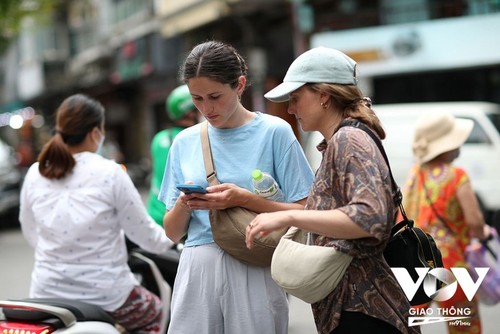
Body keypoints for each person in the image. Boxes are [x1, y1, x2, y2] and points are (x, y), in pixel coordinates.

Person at [245, 46, 420, 334]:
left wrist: (291, 218)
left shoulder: (348, 140)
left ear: (324, 95)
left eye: (296, 98)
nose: (290, 108)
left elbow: (369, 218)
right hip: (351, 308)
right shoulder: (341, 141)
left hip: (363, 312)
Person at [158, 40, 315, 334]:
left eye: (215, 96)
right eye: (197, 99)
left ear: (240, 85)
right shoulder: (184, 142)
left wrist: (243, 199)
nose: (207, 108)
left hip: (255, 263)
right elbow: (172, 232)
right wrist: (184, 202)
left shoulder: (274, 132)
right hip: (197, 267)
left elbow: (306, 209)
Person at [19, 94, 174, 333]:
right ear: (95, 133)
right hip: (107, 294)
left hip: (46, 293)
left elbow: (30, 231)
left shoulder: (35, 172)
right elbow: (145, 236)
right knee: (156, 311)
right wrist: (171, 239)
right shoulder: (110, 172)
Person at [401, 111, 491, 334]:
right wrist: (483, 232)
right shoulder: (456, 175)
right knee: (464, 326)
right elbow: (474, 221)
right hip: (453, 265)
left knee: (408, 325)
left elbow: (405, 215)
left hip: (422, 263)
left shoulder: (415, 174)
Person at [147, 84, 200, 226]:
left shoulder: (159, 138)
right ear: (190, 113)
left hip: (154, 214)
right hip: (176, 218)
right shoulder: (192, 138)